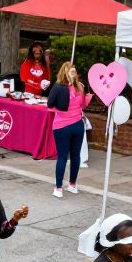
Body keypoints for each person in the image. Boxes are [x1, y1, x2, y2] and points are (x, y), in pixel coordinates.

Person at [47, 62, 92, 198]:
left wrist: (61, 112)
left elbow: (49, 106)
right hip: (78, 125)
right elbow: (83, 104)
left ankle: (58, 188)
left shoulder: (58, 87)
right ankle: (72, 185)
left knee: (62, 156)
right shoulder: (80, 87)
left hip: (62, 126)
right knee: (75, 155)